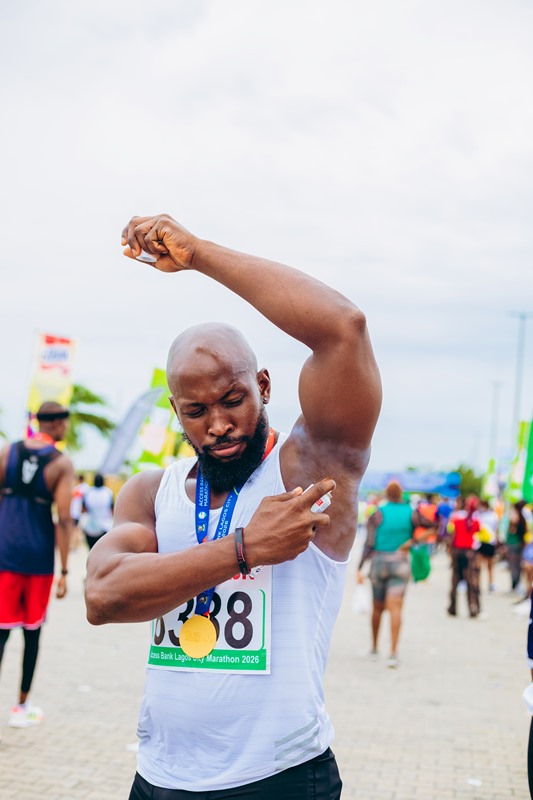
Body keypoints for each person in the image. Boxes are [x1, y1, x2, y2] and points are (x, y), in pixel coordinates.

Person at [85, 212, 382, 799]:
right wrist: (243, 548)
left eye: (233, 399)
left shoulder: (309, 469)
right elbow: (103, 596)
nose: (218, 424)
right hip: (160, 775)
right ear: (176, 412)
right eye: (196, 411)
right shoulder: (150, 492)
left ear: (263, 387)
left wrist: (198, 255)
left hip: (278, 777)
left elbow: (342, 329)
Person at [0, 401, 74, 727]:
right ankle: (21, 707)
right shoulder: (61, 463)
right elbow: (65, 519)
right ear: (56, 424)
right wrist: (65, 571)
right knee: (32, 635)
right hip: (38, 559)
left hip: (4, 555)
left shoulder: (8, 452)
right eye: (65, 423)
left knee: (1, 633)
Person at [355, 480, 429, 668]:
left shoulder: (378, 512)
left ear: (387, 494)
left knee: (377, 608)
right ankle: (393, 653)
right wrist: (412, 542)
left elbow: (369, 543)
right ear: (401, 493)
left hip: (379, 562)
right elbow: (434, 525)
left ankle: (374, 648)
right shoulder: (412, 512)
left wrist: (360, 568)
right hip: (401, 562)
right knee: (396, 608)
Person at [447, 495, 481, 618]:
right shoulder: (476, 520)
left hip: (457, 551)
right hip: (469, 553)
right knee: (471, 581)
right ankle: (473, 608)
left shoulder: (456, 518)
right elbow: (479, 535)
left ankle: (452, 607)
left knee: (455, 579)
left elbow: (451, 534)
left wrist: (450, 550)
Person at [82, 473, 114, 550]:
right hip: (104, 527)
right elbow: (112, 509)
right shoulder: (108, 492)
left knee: (91, 551)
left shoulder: (88, 492)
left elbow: (83, 509)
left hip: (89, 527)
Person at [474, 498, 499, 593]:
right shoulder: (477, 515)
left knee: (490, 565)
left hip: (490, 542)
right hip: (479, 542)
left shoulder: (493, 515)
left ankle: (491, 583)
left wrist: (496, 539)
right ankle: (477, 584)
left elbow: (496, 528)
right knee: (478, 565)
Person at [506, 500, 527, 594]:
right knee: (516, 565)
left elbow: (512, 530)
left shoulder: (517, 516)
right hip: (517, 544)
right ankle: (516, 584)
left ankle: (515, 584)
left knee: (514, 565)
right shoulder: (521, 516)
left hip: (515, 544)